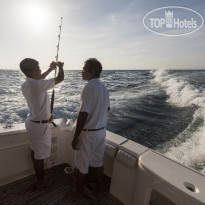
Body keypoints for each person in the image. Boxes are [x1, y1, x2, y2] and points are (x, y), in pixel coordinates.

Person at [20, 58, 64, 188]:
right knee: (40, 156)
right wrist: (60, 67)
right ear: (33, 71)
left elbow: (39, 79)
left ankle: (38, 178)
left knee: (35, 151)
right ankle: (40, 182)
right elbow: (59, 79)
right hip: (39, 127)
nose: (40, 70)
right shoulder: (37, 85)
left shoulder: (27, 84)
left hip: (32, 123)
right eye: (38, 68)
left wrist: (50, 69)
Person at [71, 58, 110, 202]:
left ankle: (79, 194)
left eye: (84, 68)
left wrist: (75, 137)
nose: (82, 71)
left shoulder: (88, 87)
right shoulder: (104, 87)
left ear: (92, 72)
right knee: (98, 163)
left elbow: (83, 113)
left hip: (88, 134)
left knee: (82, 165)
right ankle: (100, 191)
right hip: (101, 132)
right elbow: (108, 108)